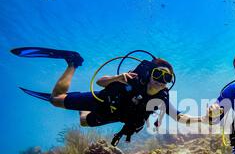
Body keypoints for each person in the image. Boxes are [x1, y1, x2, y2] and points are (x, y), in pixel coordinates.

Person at [11, 47, 202, 145]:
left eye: (166, 77)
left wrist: (204, 119)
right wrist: (117, 78)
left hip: (116, 115)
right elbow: (100, 82)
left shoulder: (161, 99)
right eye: (157, 74)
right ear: (150, 74)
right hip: (103, 99)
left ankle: (80, 106)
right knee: (55, 100)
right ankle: (73, 62)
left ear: (169, 82)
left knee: (84, 122)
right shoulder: (133, 79)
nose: (161, 80)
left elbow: (180, 117)